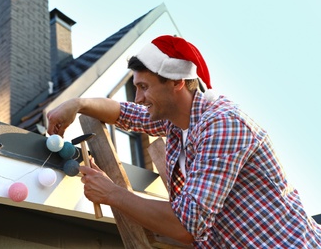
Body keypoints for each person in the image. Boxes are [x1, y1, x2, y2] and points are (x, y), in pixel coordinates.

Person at [46, 35, 321, 248]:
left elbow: (187, 226)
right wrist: (77, 103)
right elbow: (128, 114)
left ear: (177, 82)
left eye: (143, 87)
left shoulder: (222, 124)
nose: (138, 97)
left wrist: (111, 193)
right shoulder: (177, 122)